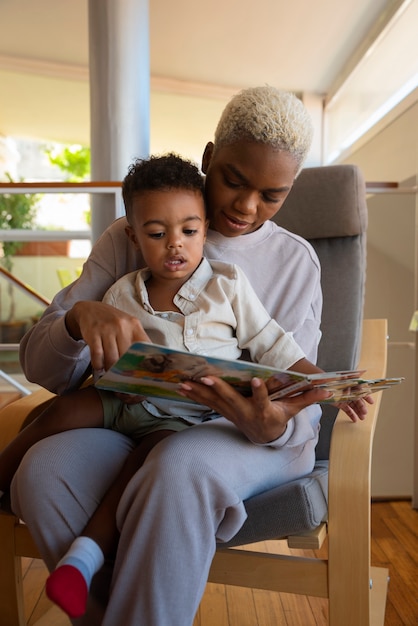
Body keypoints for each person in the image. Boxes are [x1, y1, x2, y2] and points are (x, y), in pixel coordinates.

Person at [11, 86, 370, 626]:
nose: (248, 207)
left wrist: (271, 424)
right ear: (208, 159)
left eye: (273, 194)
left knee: (180, 464)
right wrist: (77, 318)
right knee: (43, 470)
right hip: (138, 415)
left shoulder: (293, 263)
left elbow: (291, 379)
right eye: (233, 180)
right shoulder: (129, 237)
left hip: (254, 438)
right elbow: (43, 370)